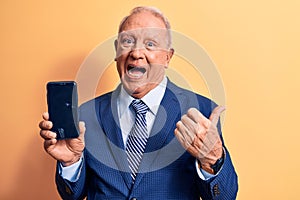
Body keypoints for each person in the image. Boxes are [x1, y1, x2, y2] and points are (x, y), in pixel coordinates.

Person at [39, 6, 238, 200]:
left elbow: (225, 196)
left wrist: (213, 158)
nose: (136, 53)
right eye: (128, 41)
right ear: (117, 51)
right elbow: (71, 194)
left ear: (167, 57)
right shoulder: (86, 114)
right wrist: (71, 163)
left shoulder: (202, 112)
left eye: (150, 44)